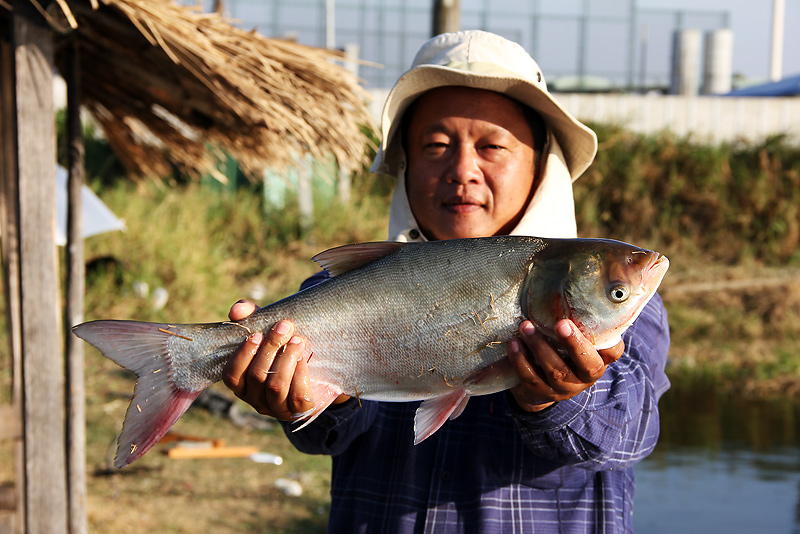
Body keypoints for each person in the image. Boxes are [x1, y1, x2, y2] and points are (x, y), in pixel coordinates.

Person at [222, 30, 670, 533]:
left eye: (492, 146)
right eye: (436, 145)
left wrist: (555, 397)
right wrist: (308, 399)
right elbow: (326, 437)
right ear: (405, 164)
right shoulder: (332, 293)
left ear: (542, 166)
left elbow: (627, 436)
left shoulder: (628, 309)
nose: (462, 170)